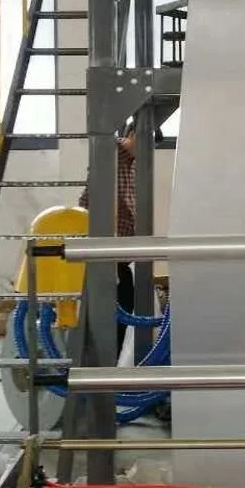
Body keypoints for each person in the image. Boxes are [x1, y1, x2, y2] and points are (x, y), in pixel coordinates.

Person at [79, 122, 136, 342]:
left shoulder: (131, 162)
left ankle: (117, 351)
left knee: (126, 303)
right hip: (107, 250)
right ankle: (108, 352)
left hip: (121, 251)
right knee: (117, 307)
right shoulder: (112, 152)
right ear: (133, 134)